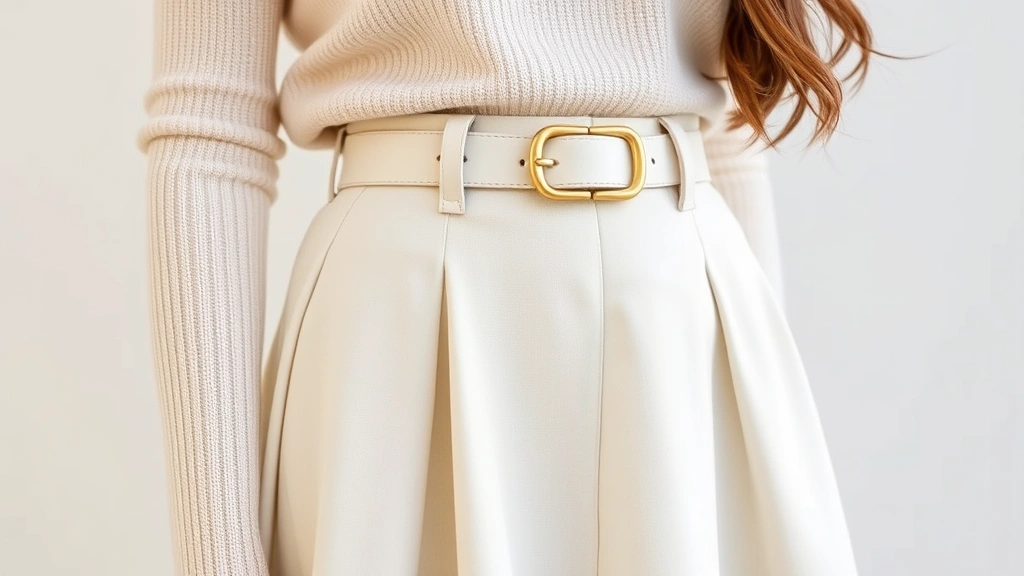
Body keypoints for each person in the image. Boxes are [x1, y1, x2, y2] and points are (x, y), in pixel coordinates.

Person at [136, 0, 875, 574]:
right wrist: (218, 556)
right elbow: (209, 126)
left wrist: (765, 437)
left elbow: (728, 114)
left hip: (684, 316)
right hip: (402, 329)